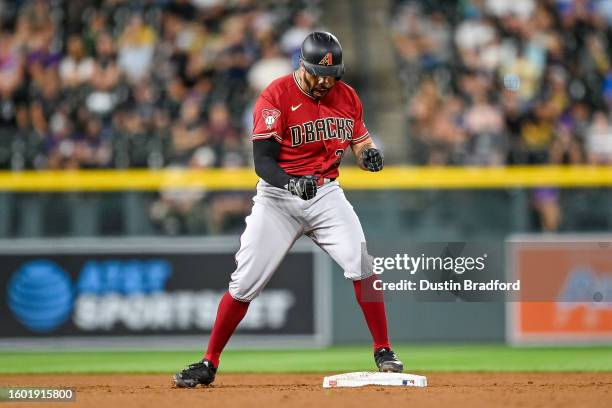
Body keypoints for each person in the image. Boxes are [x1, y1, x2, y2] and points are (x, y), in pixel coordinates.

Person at [173, 32, 403, 388]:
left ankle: (384, 350)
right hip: (278, 199)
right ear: (302, 66)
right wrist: (291, 182)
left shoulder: (347, 96)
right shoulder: (275, 95)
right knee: (244, 283)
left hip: (326, 195)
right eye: (318, 73)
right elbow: (262, 162)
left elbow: (360, 140)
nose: (326, 81)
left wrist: (368, 154)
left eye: (332, 74)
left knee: (363, 263)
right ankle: (209, 362)